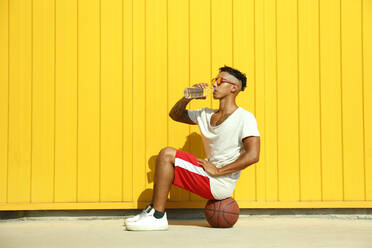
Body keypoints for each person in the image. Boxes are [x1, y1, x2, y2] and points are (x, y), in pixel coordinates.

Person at [124, 66, 260, 231]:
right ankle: (153, 211)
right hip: (208, 175)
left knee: (167, 154)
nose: (214, 85)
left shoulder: (245, 117)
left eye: (219, 81)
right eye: (213, 81)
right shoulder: (206, 114)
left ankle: (158, 216)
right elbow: (175, 115)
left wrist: (219, 170)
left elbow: (253, 155)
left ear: (234, 88)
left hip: (220, 182)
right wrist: (188, 97)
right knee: (166, 156)